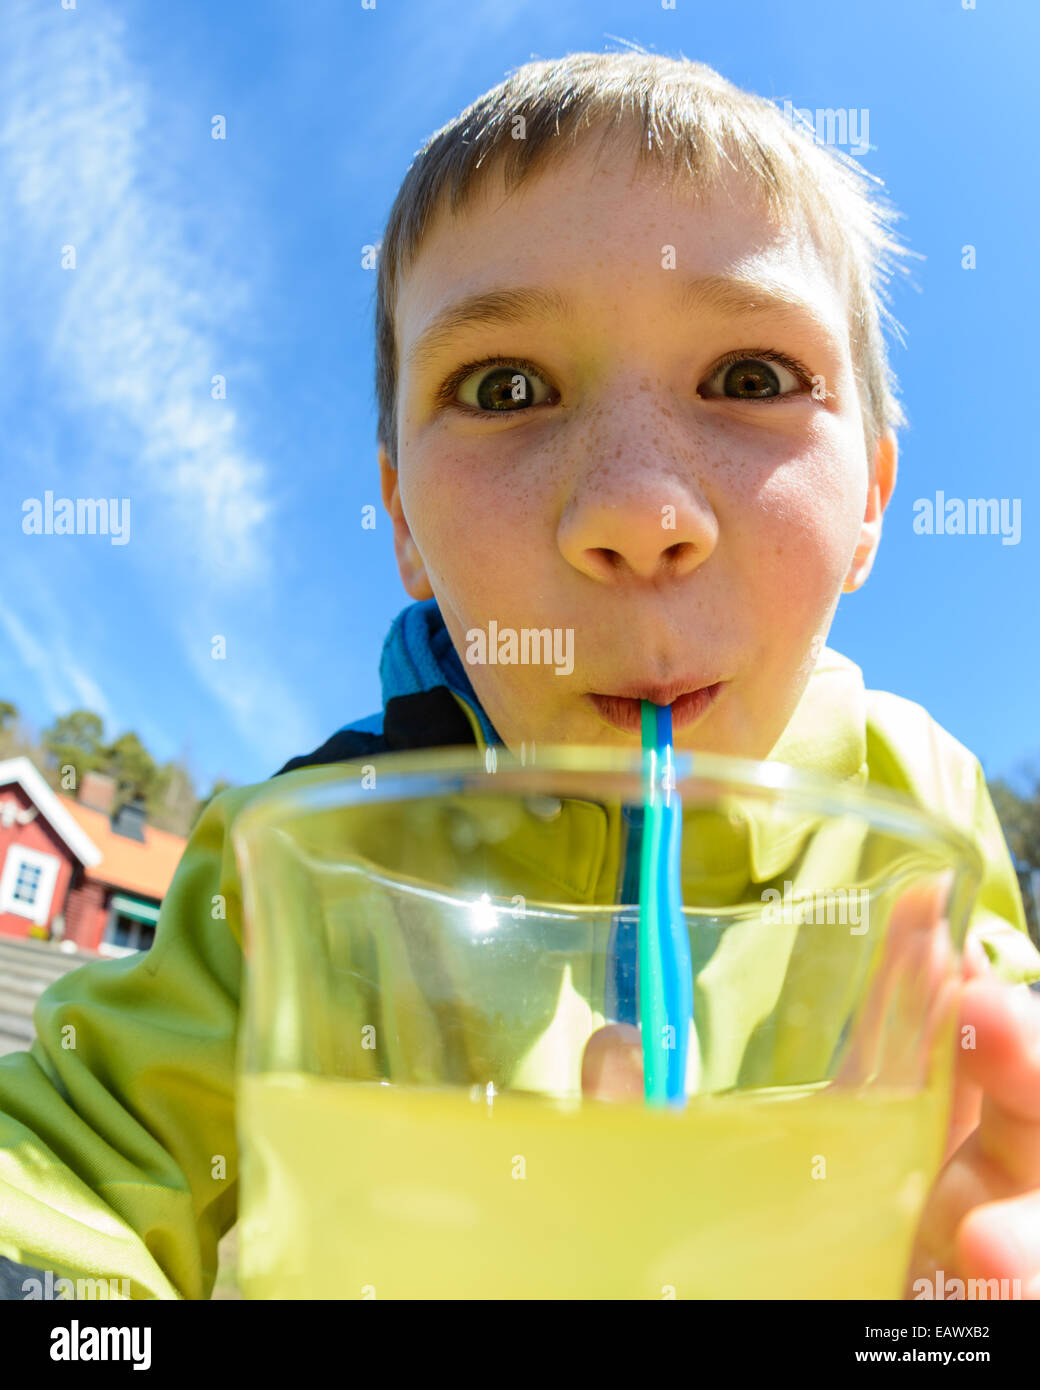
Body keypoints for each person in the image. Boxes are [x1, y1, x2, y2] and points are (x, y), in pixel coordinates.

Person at [2, 51, 1039, 1301]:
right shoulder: (296, 860)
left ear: (870, 498)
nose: (640, 508)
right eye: (505, 388)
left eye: (750, 378)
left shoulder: (918, 804)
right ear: (401, 520)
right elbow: (60, 1188)